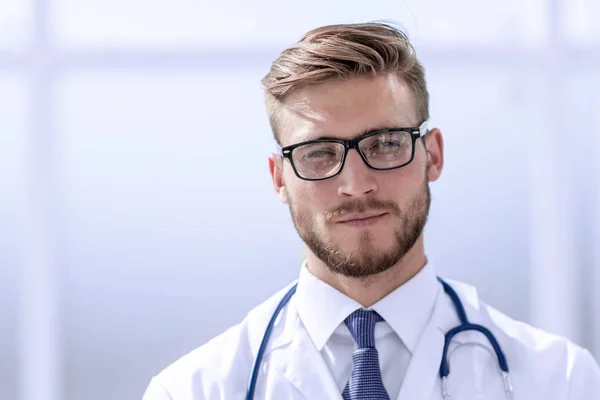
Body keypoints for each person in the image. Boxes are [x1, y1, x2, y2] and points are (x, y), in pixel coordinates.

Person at [142, 22, 600, 400]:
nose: (356, 185)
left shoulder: (558, 380)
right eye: (318, 153)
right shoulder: (193, 390)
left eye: (385, 144)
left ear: (433, 155)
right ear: (279, 178)